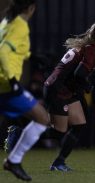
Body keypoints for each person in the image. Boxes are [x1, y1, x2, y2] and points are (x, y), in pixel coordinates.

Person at [43, 22, 95, 171]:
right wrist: (88, 86)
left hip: (66, 89)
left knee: (80, 124)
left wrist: (81, 94)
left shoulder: (88, 48)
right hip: (57, 89)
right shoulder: (92, 52)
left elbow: (75, 76)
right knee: (58, 132)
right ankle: (18, 134)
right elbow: (79, 74)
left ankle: (59, 163)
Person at [0, 0, 50, 181]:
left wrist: (32, 56)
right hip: (6, 85)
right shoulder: (21, 25)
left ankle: (13, 160)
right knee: (43, 118)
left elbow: (13, 49)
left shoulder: (7, 21)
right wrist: (13, 81)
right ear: (31, 8)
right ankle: (13, 160)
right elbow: (3, 52)